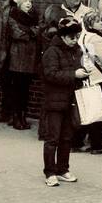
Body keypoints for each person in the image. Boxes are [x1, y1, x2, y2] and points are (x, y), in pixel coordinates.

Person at [41, 16, 87, 186]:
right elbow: (50, 75)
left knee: (67, 137)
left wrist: (83, 72)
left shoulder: (76, 50)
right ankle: (50, 172)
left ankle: (63, 169)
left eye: (77, 37)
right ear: (62, 36)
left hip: (70, 99)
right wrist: (74, 75)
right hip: (54, 100)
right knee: (52, 138)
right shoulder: (52, 52)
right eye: (71, 37)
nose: (75, 40)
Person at [74, 9, 102, 153]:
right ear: (91, 23)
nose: (101, 23)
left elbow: (90, 56)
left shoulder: (83, 36)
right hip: (98, 78)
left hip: (86, 77)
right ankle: (97, 145)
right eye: (98, 21)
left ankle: (77, 141)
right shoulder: (97, 39)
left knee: (87, 112)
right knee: (96, 113)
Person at [0, 0, 39, 130]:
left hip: (30, 58)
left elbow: (37, 31)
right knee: (17, 89)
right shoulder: (13, 16)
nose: (28, 4)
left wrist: (30, 32)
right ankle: (16, 118)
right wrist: (31, 32)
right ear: (20, 4)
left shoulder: (33, 17)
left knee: (25, 90)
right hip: (17, 58)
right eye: (25, 2)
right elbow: (17, 34)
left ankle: (23, 117)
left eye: (30, 2)